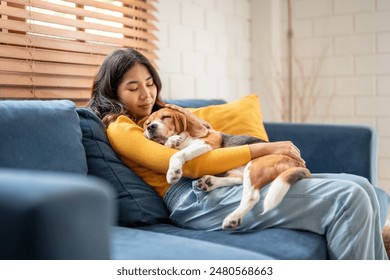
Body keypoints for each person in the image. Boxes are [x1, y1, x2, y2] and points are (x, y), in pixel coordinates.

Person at [88, 48, 389, 260]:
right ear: (113, 93)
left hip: (220, 180)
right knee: (349, 199)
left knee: (361, 185)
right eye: (133, 87)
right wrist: (268, 147)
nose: (146, 94)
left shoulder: (165, 116)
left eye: (150, 84)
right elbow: (191, 166)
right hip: (193, 198)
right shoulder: (121, 128)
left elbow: (207, 136)